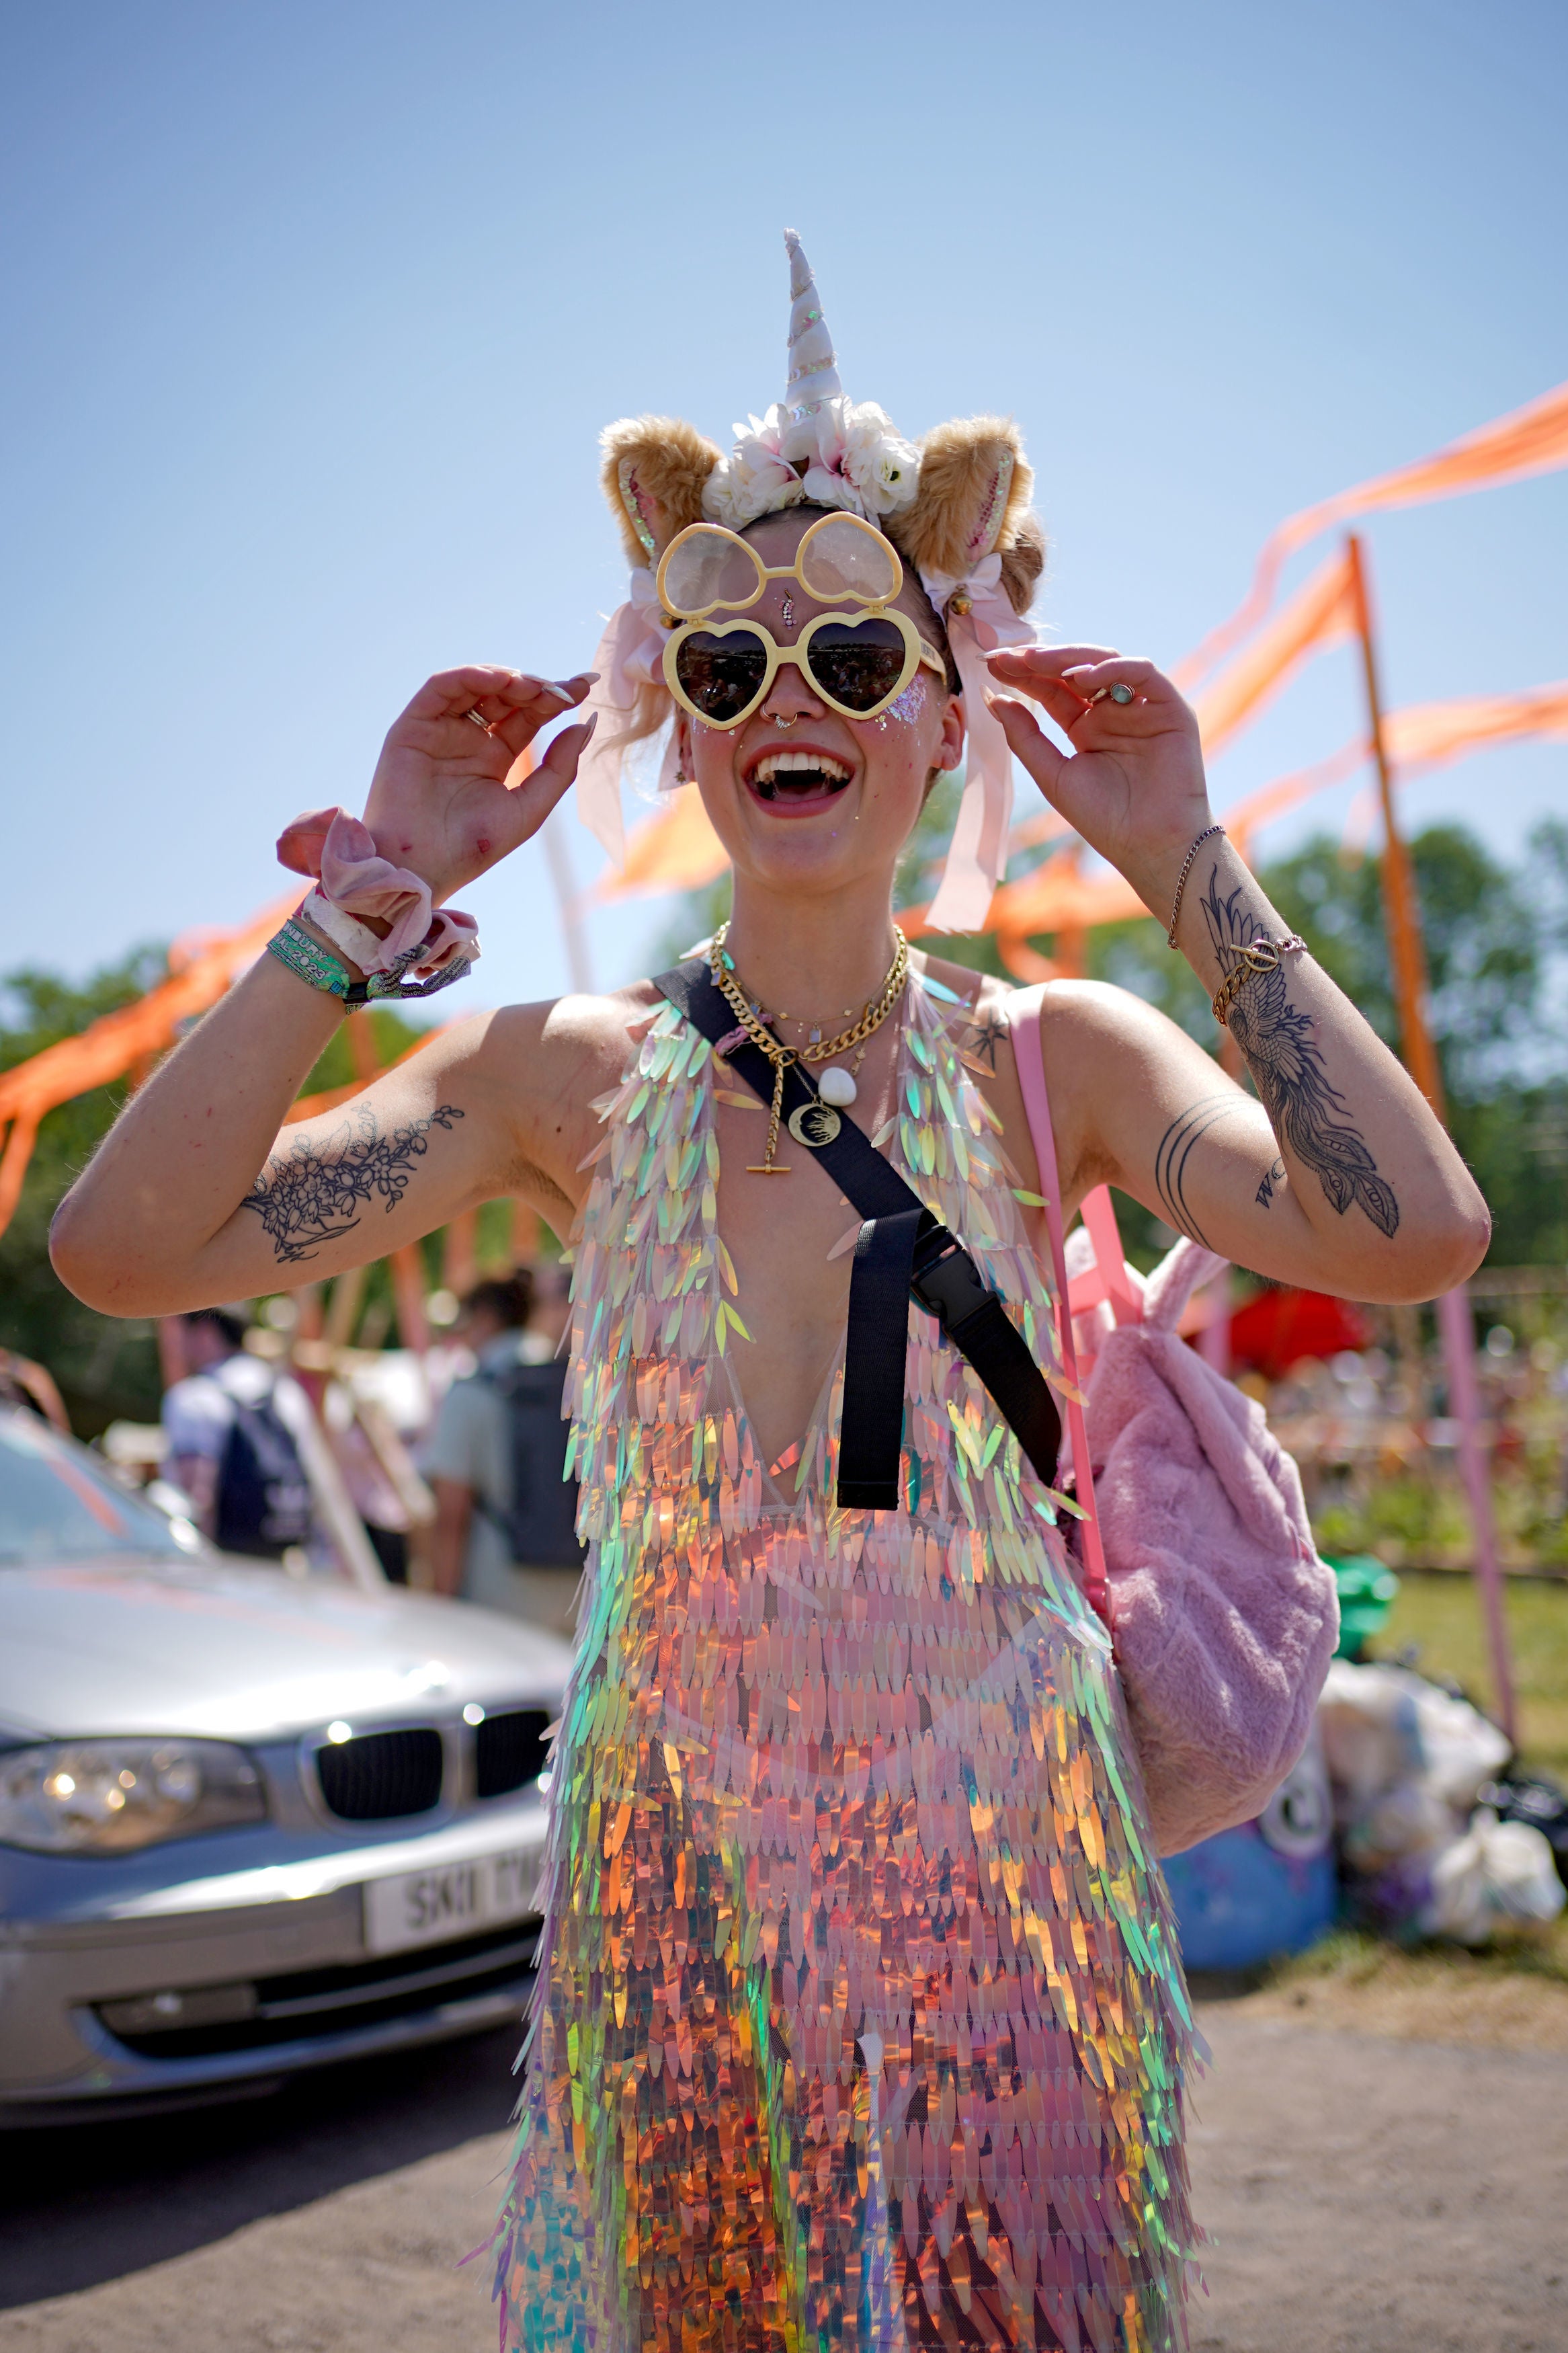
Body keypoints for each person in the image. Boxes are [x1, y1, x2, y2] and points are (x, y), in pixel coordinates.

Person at [52, 234, 1489, 2351]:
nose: (784, 698)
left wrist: (1190, 859)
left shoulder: (1053, 1055)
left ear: (943, 701)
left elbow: (1412, 1232)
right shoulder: (562, 1075)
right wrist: (360, 910)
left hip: (1011, 1865)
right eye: (723, 665)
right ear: (675, 719)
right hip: (684, 1863)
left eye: (845, 649)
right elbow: (126, 1246)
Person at [423, 1267, 583, 1631]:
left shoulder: (472, 1393)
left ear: (483, 1318)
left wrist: (440, 1614)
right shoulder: (575, 1387)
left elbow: (451, 1516)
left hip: (499, 1597)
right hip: (582, 1593)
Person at [161, 1306, 314, 1558]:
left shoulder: (195, 1397)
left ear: (204, 1332)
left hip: (227, 1559)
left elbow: (198, 1496)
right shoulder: (286, 1392)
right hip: (282, 1549)